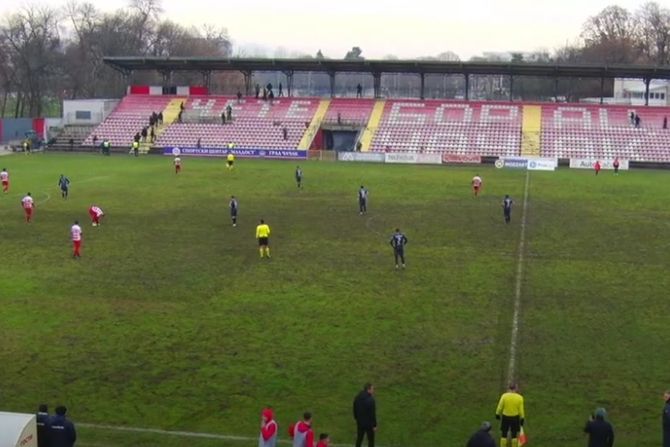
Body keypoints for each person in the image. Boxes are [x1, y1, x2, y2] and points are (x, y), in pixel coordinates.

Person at [353, 383, 377, 447]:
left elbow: (354, 409)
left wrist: (356, 418)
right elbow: (372, 414)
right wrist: (374, 425)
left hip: (360, 422)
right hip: (369, 424)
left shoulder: (357, 398)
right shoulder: (371, 400)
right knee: (371, 441)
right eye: (372, 389)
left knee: (359, 439)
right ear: (368, 390)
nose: (373, 390)